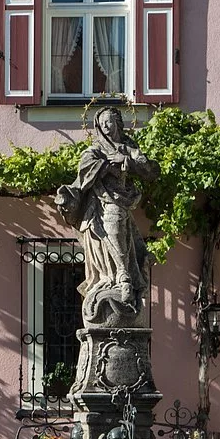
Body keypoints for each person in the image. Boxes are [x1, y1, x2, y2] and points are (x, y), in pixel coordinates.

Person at [53, 105, 160, 328]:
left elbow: (150, 170)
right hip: (98, 203)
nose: (105, 126)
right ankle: (118, 278)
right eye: (101, 123)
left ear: (118, 123)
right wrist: (107, 165)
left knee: (117, 228)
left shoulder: (128, 147)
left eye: (109, 121)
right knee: (105, 236)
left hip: (120, 201)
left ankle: (122, 276)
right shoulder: (96, 150)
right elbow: (85, 169)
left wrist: (128, 162)